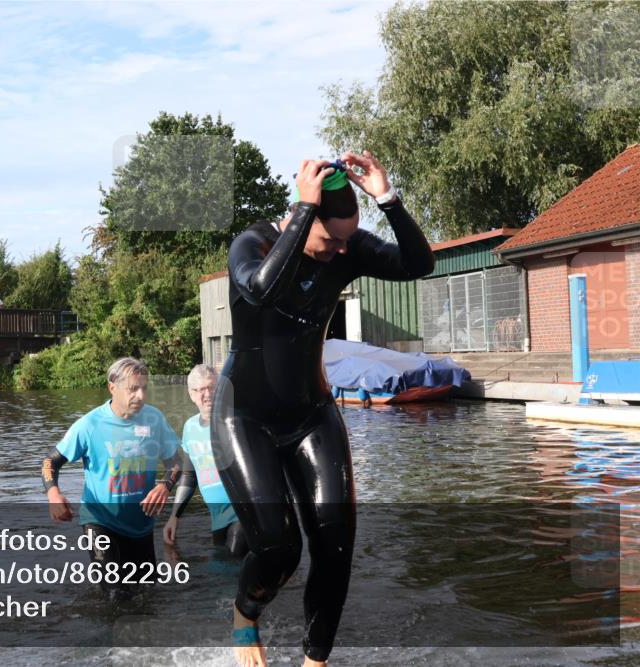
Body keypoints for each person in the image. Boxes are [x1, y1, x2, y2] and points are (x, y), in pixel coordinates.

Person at [214, 151, 434, 667]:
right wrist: (302, 211)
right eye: (329, 239)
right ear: (299, 217)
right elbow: (262, 288)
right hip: (245, 416)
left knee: (335, 547)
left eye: (345, 240)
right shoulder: (253, 243)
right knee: (279, 549)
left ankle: (316, 660)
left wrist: (389, 200)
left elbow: (419, 264)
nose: (340, 251)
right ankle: (245, 614)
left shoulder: (348, 247)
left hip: (312, 413)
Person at [42, 357, 182, 601]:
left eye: (144, 388)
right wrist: (53, 494)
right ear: (112, 388)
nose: (140, 396)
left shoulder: (154, 419)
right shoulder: (89, 425)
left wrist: (165, 485)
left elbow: (176, 461)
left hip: (141, 524)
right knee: (115, 595)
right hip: (100, 520)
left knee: (147, 595)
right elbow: (49, 462)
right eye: (133, 389)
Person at [163, 364, 248, 558]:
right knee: (222, 570)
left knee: (229, 566)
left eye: (212, 387)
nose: (207, 394)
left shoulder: (236, 420)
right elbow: (189, 475)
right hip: (217, 518)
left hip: (243, 512)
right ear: (191, 395)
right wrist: (174, 516)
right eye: (200, 389)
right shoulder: (190, 427)